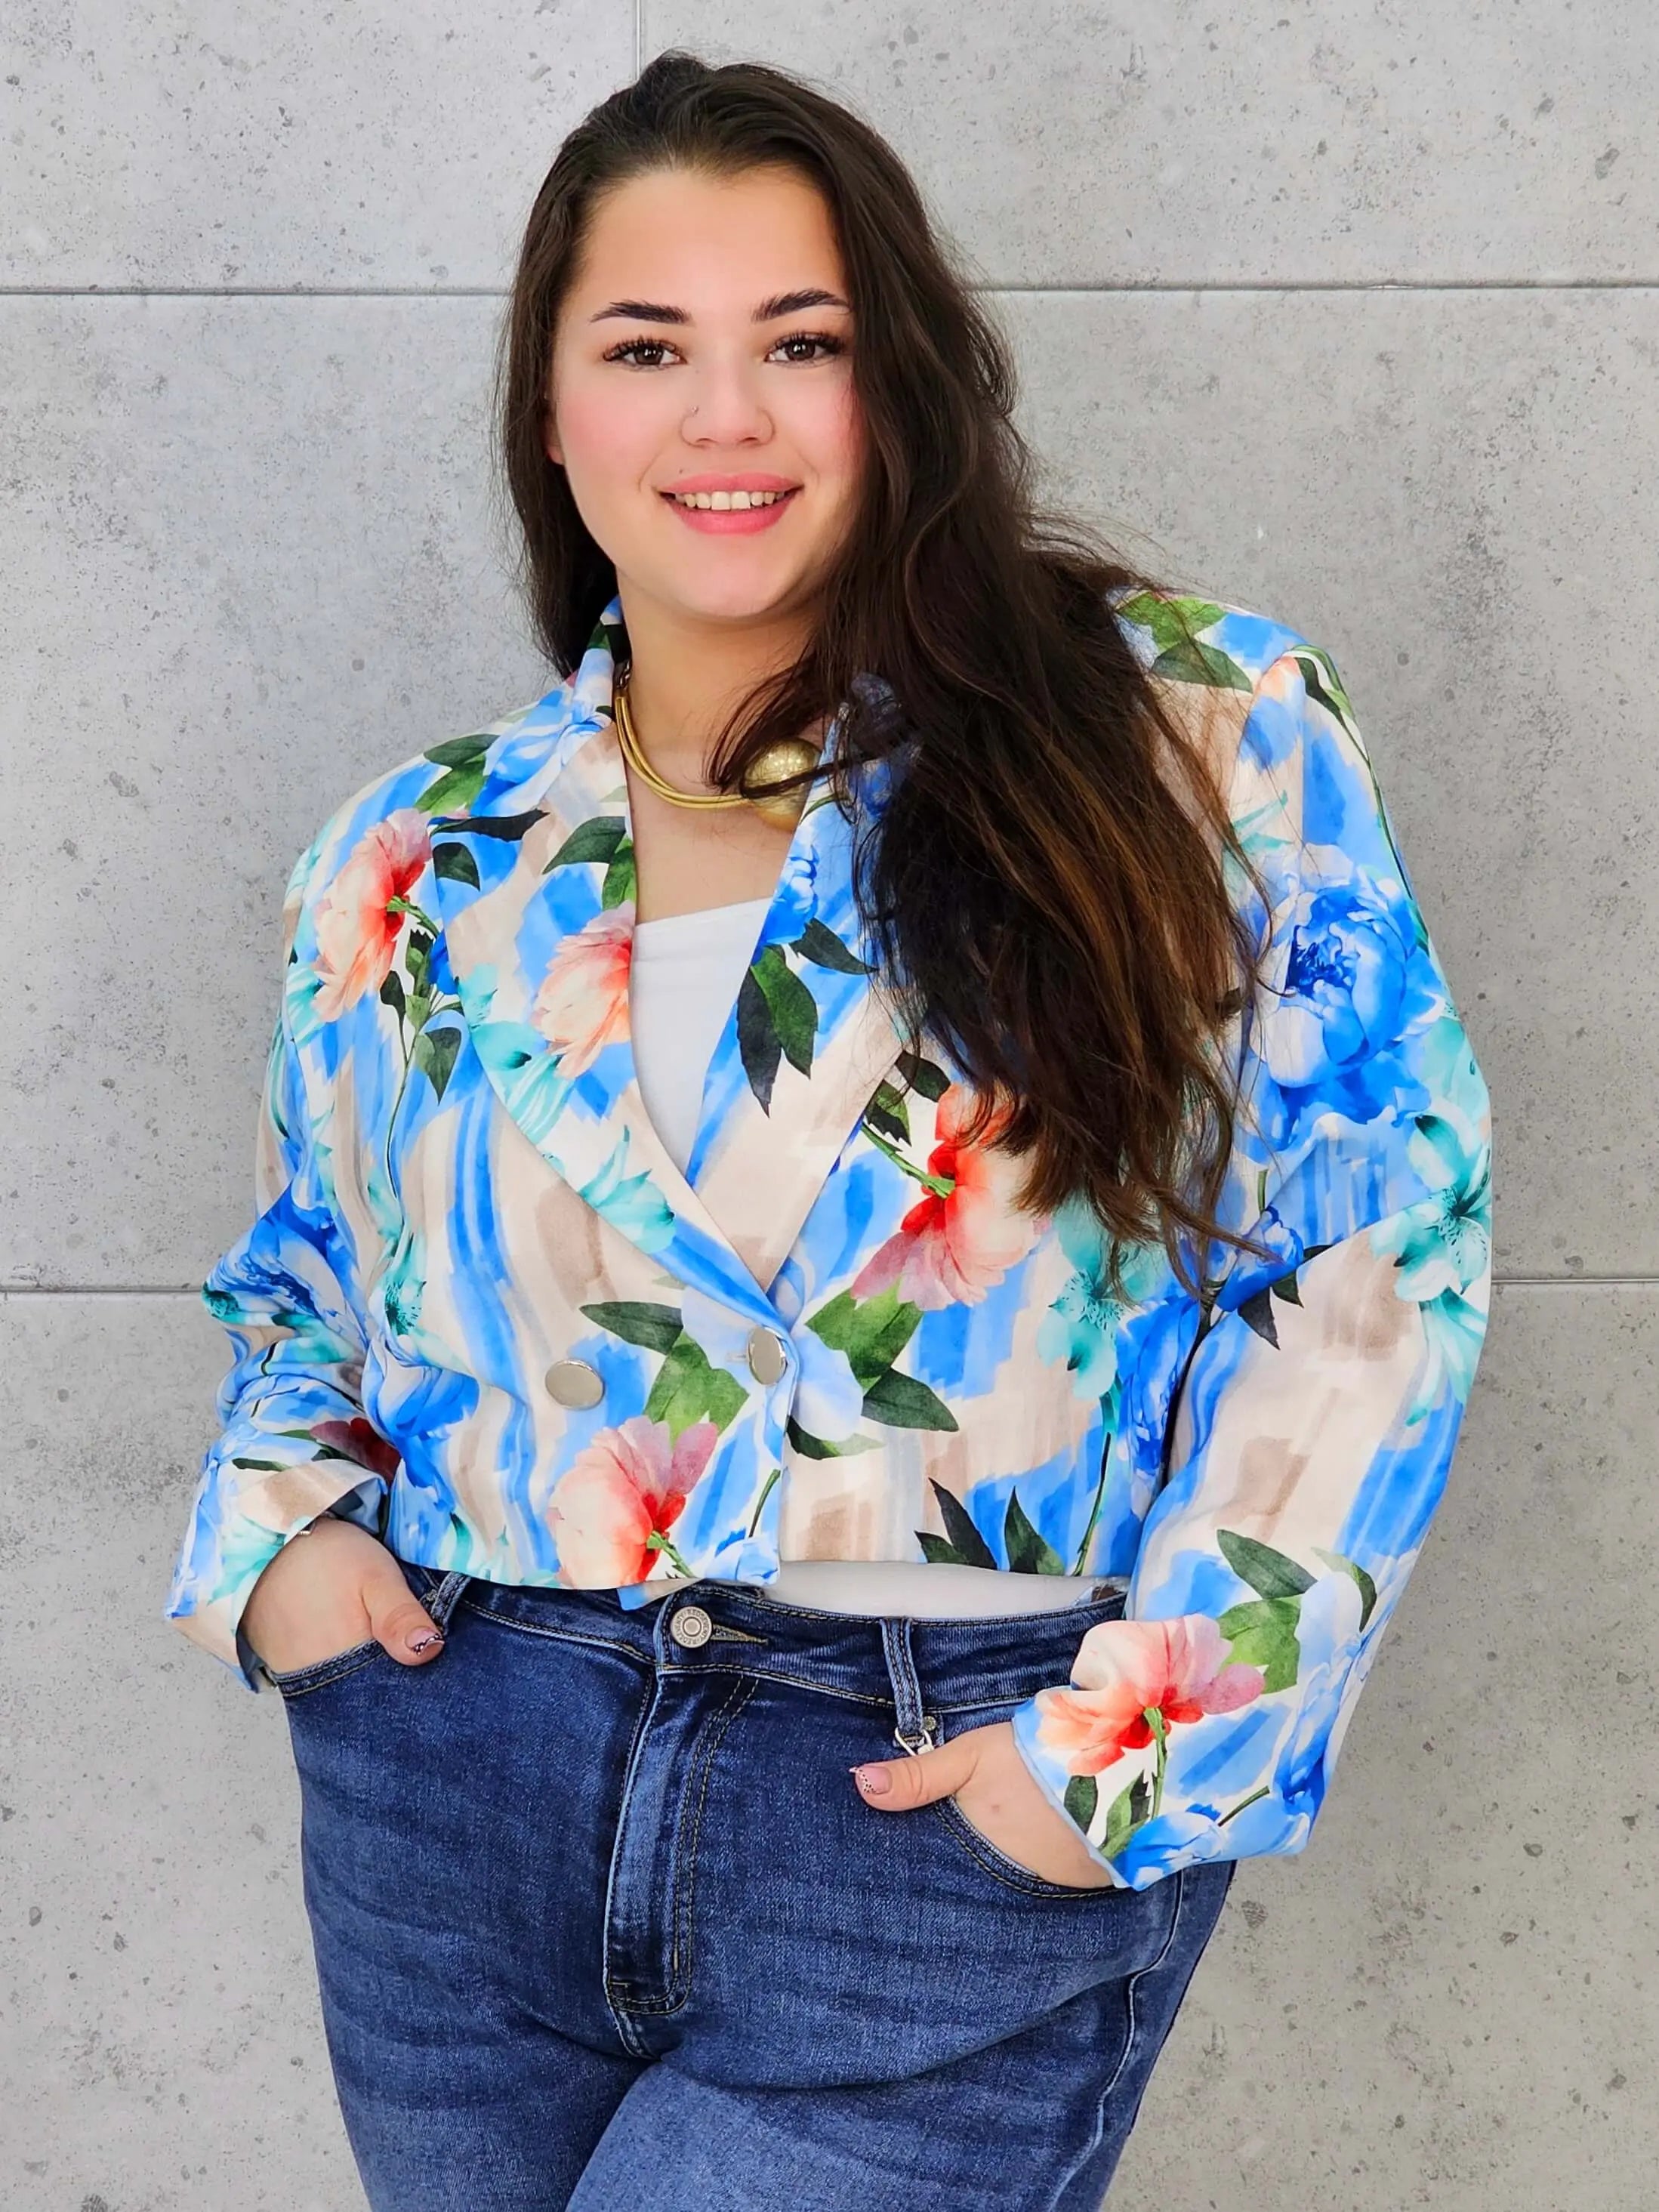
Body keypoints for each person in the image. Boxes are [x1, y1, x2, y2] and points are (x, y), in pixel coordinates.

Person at [162, 49, 1492, 2212]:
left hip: (932, 1795)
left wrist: (1132, 1755)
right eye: (646, 349)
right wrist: (287, 1544)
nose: (727, 417)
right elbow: (309, 1277)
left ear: (906, 386)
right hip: (455, 1789)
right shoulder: (416, 851)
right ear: (551, 410)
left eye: (803, 344)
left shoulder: (1189, 737)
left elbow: (1372, 1262)